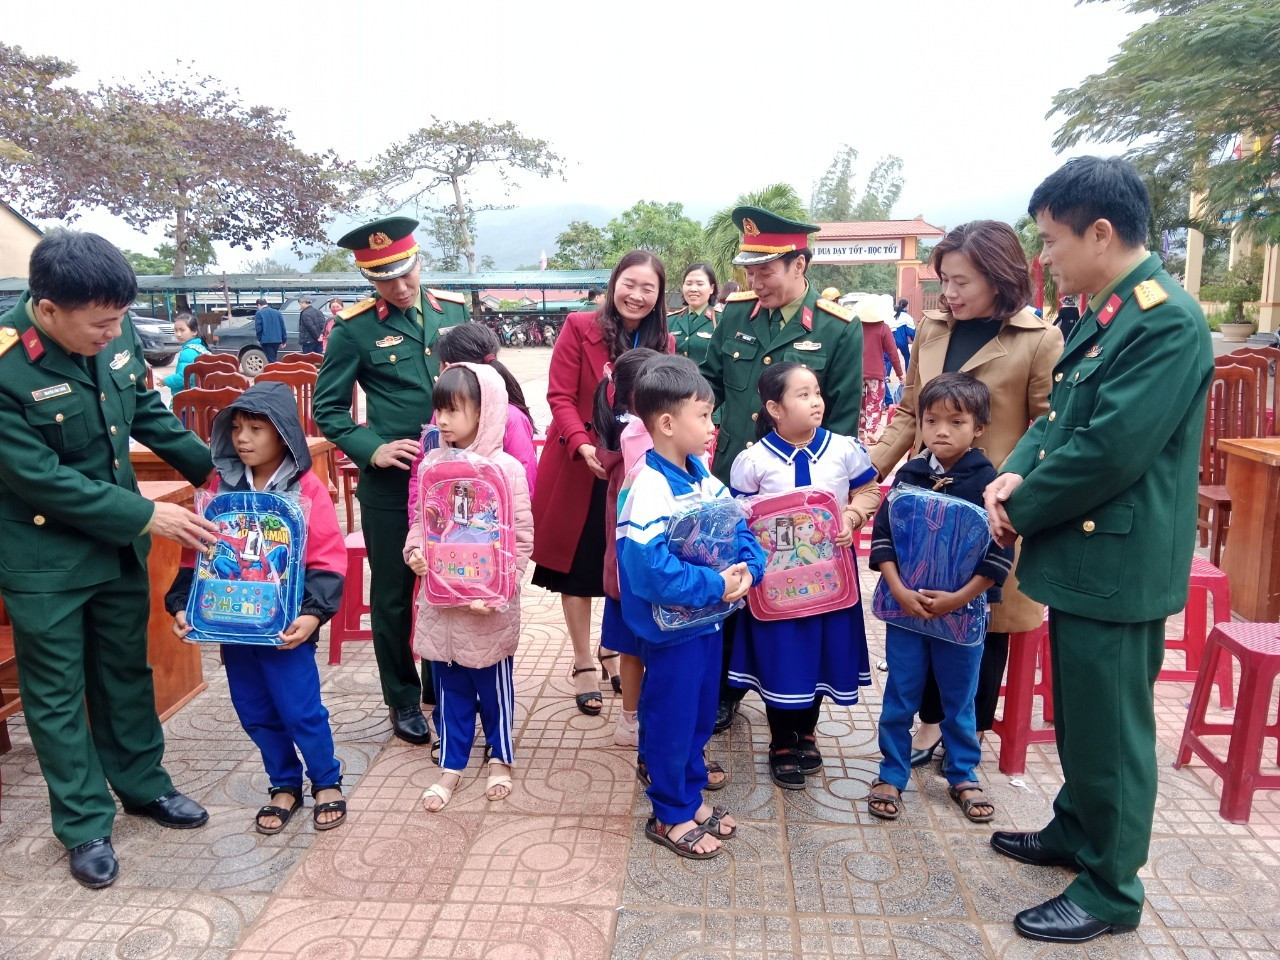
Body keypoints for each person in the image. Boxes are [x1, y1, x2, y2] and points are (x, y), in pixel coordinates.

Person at [984, 157, 1213, 944]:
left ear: (1101, 232)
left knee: (1112, 730)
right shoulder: (1107, 312)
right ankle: (1074, 831)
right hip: (1088, 556)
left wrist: (1023, 510)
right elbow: (1058, 421)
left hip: (1118, 560)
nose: (1043, 257)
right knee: (1083, 712)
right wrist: (1010, 477)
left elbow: (1111, 450)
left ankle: (1112, 887)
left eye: (1050, 241)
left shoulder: (1165, 320)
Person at [0, 230, 220, 888]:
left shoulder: (114, 332)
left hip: (114, 547)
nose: (114, 333)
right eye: (99, 323)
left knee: (126, 671)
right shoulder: (5, 368)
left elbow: (147, 411)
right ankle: (84, 821)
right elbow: (37, 478)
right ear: (47, 309)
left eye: (119, 318)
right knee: (59, 694)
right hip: (44, 558)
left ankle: (143, 785)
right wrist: (146, 513)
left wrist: (223, 473)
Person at [871, 220, 1062, 769]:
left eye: (961, 282)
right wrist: (868, 471)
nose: (949, 294)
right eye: (945, 281)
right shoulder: (933, 329)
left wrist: (1017, 490)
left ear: (999, 279)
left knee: (982, 620)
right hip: (924, 507)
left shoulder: (1037, 340)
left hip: (991, 510)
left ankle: (963, 741)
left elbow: (1049, 427)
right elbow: (910, 413)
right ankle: (928, 725)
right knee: (919, 611)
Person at [701, 207, 863, 733]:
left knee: (796, 598)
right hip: (738, 482)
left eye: (765, 270)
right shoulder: (735, 315)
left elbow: (840, 417)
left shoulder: (838, 328)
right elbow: (710, 389)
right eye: (749, 271)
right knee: (732, 587)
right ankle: (729, 688)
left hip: (801, 498)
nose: (754, 281)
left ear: (799, 264)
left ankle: (796, 714)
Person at [313, 216, 470, 746]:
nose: (399, 287)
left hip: (455, 481)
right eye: (384, 279)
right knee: (395, 594)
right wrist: (371, 448)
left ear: (419, 260)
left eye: (405, 273)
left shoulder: (453, 312)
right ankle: (402, 698)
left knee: (449, 581)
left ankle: (440, 685)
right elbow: (328, 410)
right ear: (368, 278)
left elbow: (480, 384)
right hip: (393, 483)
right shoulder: (353, 328)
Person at [166, 382, 349, 834]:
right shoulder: (217, 486)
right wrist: (183, 605)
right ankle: (283, 783)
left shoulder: (305, 487)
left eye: (255, 429)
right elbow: (199, 553)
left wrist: (312, 614)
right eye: (235, 429)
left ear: (283, 433)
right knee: (254, 710)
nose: (242, 439)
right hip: (232, 626)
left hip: (285, 628)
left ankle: (326, 780)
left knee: (300, 709)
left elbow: (327, 556)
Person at [616, 355, 766, 859]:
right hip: (672, 631)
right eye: (702, 415)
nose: (711, 425)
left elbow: (737, 525)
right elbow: (648, 571)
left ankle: (690, 795)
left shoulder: (701, 473)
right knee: (670, 719)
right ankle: (669, 813)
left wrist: (751, 566)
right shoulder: (649, 486)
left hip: (706, 623)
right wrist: (713, 584)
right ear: (666, 423)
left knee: (700, 715)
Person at [866, 373, 1013, 824]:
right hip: (905, 612)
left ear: (979, 428)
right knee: (900, 693)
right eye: (931, 421)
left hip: (963, 614)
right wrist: (896, 588)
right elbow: (884, 536)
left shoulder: (989, 484)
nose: (941, 431)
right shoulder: (909, 475)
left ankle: (963, 773)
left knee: (959, 698)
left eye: (956, 421)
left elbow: (999, 554)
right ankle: (891, 772)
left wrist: (958, 599)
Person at [727, 362, 881, 788]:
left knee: (820, 653)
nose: (816, 402)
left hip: (831, 579)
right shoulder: (753, 460)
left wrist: (851, 514)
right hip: (775, 586)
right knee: (782, 653)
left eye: (817, 392)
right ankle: (781, 739)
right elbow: (740, 516)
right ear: (774, 408)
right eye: (803, 395)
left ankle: (807, 732)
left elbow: (869, 489)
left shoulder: (844, 449)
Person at [531, 251, 671, 716]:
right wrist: (581, 444)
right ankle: (583, 659)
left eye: (647, 288)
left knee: (623, 563)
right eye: (629, 283)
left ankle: (613, 647)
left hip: (634, 472)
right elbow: (560, 394)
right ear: (614, 284)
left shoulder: (663, 339)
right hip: (581, 464)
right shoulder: (578, 326)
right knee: (579, 564)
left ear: (657, 296)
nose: (636, 294)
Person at [406, 363, 533, 811]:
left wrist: (501, 590)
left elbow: (520, 538)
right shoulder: (433, 465)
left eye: (454, 410)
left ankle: (500, 756)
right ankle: (452, 762)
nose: (442, 420)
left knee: (493, 688)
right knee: (449, 688)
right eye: (439, 409)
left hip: (486, 608)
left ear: (486, 411)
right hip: (442, 602)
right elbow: (421, 522)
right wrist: (415, 553)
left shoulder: (507, 469)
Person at [592, 347, 662, 748]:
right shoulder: (641, 442)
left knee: (635, 653)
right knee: (647, 651)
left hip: (626, 572)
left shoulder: (625, 440)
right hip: (642, 573)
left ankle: (630, 719)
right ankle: (638, 720)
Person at [406, 322, 538, 506]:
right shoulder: (443, 416)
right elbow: (420, 475)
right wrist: (422, 525)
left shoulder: (511, 417)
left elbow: (522, 491)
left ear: (447, 367)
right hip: (440, 529)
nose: (444, 419)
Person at [854, 294, 905, 440]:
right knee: (874, 403)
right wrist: (900, 374)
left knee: (860, 403)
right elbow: (893, 353)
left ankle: (860, 432)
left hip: (857, 373)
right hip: (876, 374)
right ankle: (871, 431)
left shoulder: (855, 327)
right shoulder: (883, 328)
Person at [669, 262, 719, 365]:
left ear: (711, 288)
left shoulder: (720, 320)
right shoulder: (669, 321)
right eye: (688, 284)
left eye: (700, 284)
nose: (693, 289)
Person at [162, 312, 210, 394]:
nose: (178, 334)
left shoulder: (188, 352)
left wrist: (165, 381)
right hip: (203, 394)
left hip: (189, 398)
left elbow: (183, 377)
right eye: (176, 330)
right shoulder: (201, 348)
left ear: (194, 332)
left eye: (182, 330)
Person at [253, 298, 287, 363]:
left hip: (266, 340)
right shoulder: (277, 312)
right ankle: (275, 370)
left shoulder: (259, 313)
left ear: (259, 305)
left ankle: (274, 371)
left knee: (271, 359)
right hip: (277, 339)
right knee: (273, 356)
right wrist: (284, 340)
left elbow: (259, 328)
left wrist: (259, 339)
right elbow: (282, 327)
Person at [890, 297, 916, 370]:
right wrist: (913, 338)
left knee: (889, 357)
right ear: (906, 306)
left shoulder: (891, 315)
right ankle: (908, 375)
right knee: (907, 357)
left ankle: (887, 376)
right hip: (902, 340)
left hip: (891, 339)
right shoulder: (907, 317)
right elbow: (911, 331)